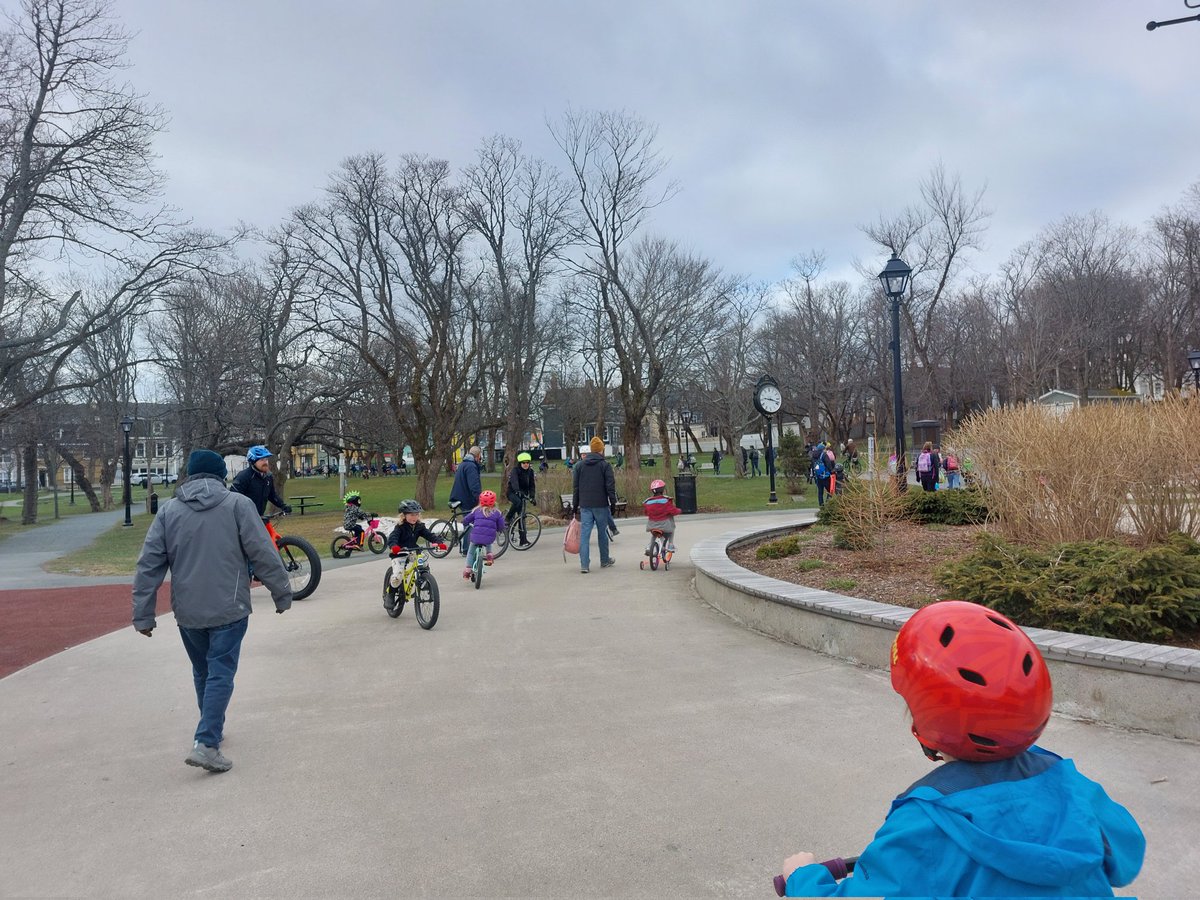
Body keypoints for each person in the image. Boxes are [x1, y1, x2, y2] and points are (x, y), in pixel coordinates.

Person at [779, 600, 1145, 897]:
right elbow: (1127, 857)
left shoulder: (924, 826)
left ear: (928, 722)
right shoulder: (1073, 786)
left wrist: (802, 878)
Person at [132, 449, 292, 774]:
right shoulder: (238, 505)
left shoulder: (169, 512)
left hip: (188, 611)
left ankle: (211, 728)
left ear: (189, 475)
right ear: (222, 475)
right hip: (230, 606)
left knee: (203, 670)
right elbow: (263, 551)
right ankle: (206, 742)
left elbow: (149, 565)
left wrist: (143, 614)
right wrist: (281, 591)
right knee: (221, 671)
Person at [572, 435, 618, 574]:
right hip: (601, 504)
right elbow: (610, 486)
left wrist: (575, 505)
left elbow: (576, 488)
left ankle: (584, 565)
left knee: (584, 535)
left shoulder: (579, 466)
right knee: (602, 533)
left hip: (585, 505)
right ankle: (604, 560)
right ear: (601, 450)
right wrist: (613, 503)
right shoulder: (605, 465)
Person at [229, 445, 292, 517]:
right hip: (244, 519)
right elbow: (233, 499)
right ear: (253, 461)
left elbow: (272, 495)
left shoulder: (268, 477)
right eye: (262, 460)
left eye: (266, 459)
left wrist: (283, 506)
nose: (265, 462)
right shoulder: (243, 477)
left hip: (259, 517)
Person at [461, 490, 505, 579]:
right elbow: (501, 526)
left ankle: (467, 571)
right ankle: (489, 556)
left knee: (470, 552)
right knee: (488, 538)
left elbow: (466, 519)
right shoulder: (497, 513)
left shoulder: (476, 510)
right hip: (489, 538)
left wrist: (464, 522)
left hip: (475, 537)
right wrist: (498, 529)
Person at [448, 445, 484, 554]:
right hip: (466, 498)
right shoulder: (471, 466)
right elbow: (474, 485)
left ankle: (465, 547)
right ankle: (466, 549)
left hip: (459, 495)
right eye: (480, 456)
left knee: (469, 521)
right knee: (471, 523)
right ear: (478, 456)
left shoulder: (464, 463)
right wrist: (479, 498)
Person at [506, 452, 538, 547]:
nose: (525, 464)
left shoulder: (530, 472)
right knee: (518, 502)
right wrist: (517, 491)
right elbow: (514, 482)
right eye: (523, 463)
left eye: (527, 462)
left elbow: (532, 485)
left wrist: (532, 496)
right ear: (520, 463)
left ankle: (523, 540)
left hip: (523, 494)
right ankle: (507, 518)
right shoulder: (515, 471)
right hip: (512, 492)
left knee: (521, 516)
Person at [642, 479, 681, 554]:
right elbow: (673, 511)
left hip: (651, 526)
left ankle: (650, 546)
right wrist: (679, 511)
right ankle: (670, 545)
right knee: (672, 529)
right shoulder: (666, 501)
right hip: (664, 525)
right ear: (663, 490)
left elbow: (646, 513)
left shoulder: (648, 502)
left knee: (654, 534)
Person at [813, 442, 834, 507]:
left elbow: (813, 465)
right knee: (829, 490)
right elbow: (828, 464)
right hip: (825, 476)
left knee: (820, 492)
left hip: (818, 476)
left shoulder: (814, 455)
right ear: (823, 449)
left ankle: (821, 505)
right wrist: (831, 471)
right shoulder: (824, 455)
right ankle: (828, 503)